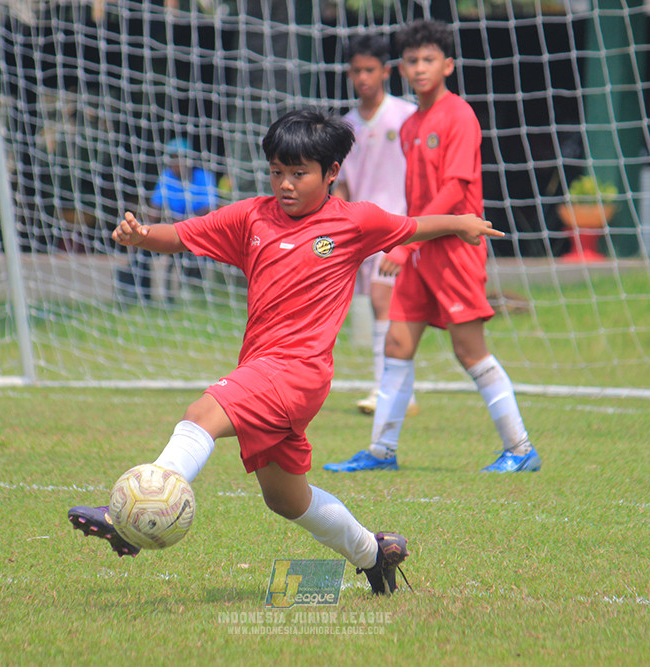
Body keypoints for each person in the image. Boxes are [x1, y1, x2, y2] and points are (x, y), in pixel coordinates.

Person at [67, 108, 504, 595]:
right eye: (278, 172)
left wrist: (462, 223)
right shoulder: (251, 216)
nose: (286, 184)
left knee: (201, 411)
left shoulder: (354, 222)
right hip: (261, 368)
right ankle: (374, 554)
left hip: (298, 373)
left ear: (332, 173)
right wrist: (142, 235)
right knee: (285, 499)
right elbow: (187, 235)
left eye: (300, 173)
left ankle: (137, 510)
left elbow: (412, 225)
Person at [325, 19, 539, 474]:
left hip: (453, 249)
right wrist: (408, 238)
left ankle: (520, 449)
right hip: (421, 249)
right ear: (400, 67)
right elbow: (415, 192)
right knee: (398, 343)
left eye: (428, 61)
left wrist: (404, 241)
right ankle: (382, 451)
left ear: (448, 65)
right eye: (412, 61)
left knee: (469, 350)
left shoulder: (458, 114)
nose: (419, 69)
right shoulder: (411, 124)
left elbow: (454, 189)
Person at [334, 32, 419, 416]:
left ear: (385, 72)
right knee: (379, 307)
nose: (362, 78)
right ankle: (399, 391)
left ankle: (388, 390)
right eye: (356, 71)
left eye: (369, 70)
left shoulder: (405, 116)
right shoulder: (346, 126)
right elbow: (345, 186)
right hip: (362, 231)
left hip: (399, 229)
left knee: (386, 304)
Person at [131, 137, 218, 303]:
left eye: (180, 158)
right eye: (173, 159)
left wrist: (184, 221)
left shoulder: (203, 177)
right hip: (174, 231)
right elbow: (155, 209)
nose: (177, 163)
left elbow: (209, 210)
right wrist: (144, 232)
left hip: (197, 232)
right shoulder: (167, 178)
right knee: (141, 249)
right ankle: (142, 296)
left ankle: (195, 293)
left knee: (195, 253)